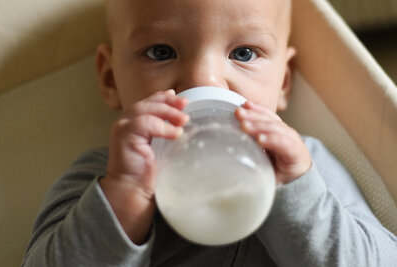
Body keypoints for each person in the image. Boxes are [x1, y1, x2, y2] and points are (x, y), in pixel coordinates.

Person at [22, 0, 397, 266]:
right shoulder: (99, 175)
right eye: (160, 52)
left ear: (283, 80)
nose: (203, 79)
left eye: (245, 53)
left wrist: (296, 191)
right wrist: (124, 197)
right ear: (110, 79)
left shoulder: (304, 163)